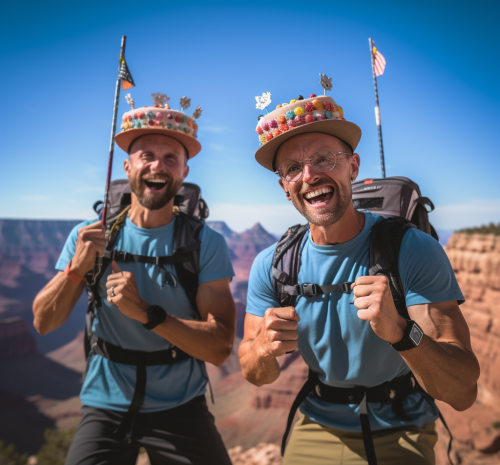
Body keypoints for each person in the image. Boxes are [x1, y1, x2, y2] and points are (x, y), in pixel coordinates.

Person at [239, 92, 479, 465]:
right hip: (316, 422)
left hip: (401, 427)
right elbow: (254, 373)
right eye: (291, 168)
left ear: (352, 167)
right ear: (284, 187)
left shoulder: (411, 250)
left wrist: (402, 332)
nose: (309, 175)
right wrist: (262, 349)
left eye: (323, 159)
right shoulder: (271, 264)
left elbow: (462, 392)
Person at [33, 94, 236, 465]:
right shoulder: (90, 236)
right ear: (127, 167)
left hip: (181, 405)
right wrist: (77, 268)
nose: (157, 165)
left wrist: (146, 313)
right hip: (105, 405)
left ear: (184, 173)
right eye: (146, 156)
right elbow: (44, 322)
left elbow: (221, 348)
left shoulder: (205, 243)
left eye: (171, 158)